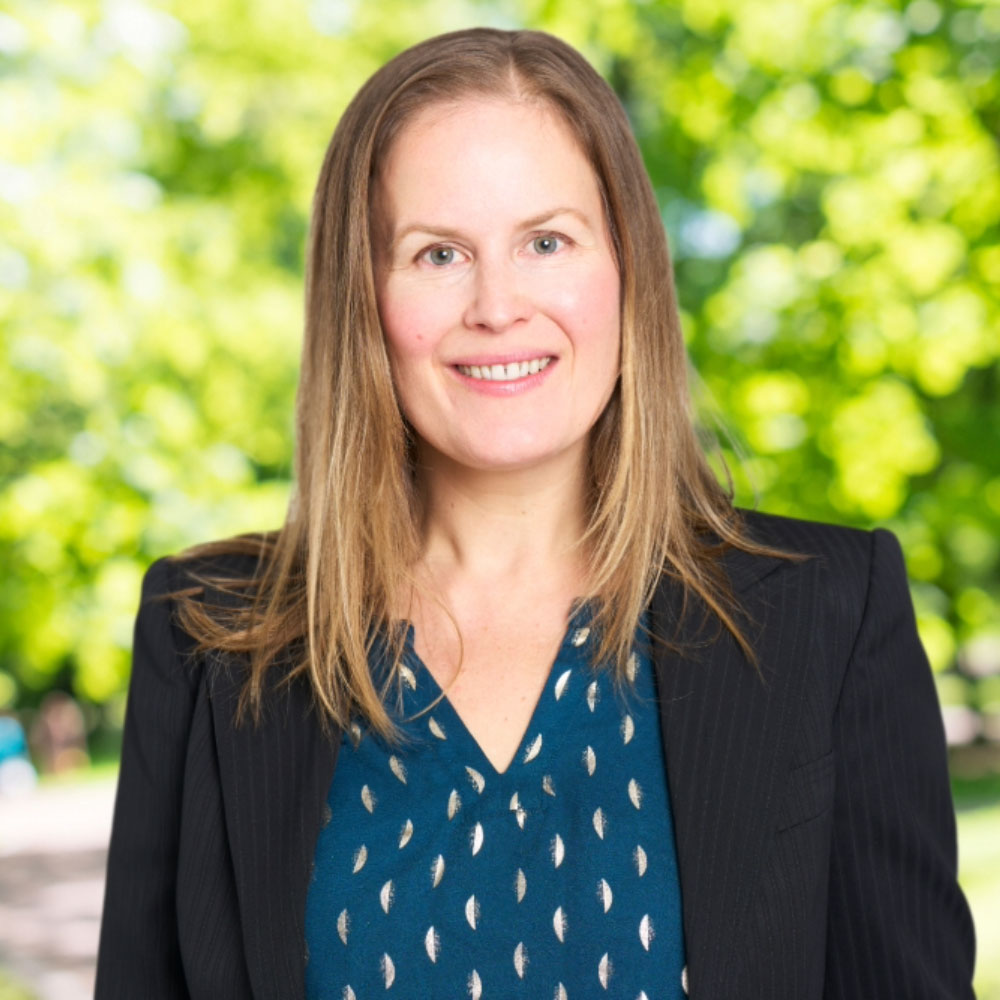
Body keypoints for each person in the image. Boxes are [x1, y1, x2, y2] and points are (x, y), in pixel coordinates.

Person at [95, 27, 976, 1000]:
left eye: (546, 240)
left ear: (627, 268)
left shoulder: (828, 615)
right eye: (437, 254)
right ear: (362, 297)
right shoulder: (209, 632)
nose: (497, 305)